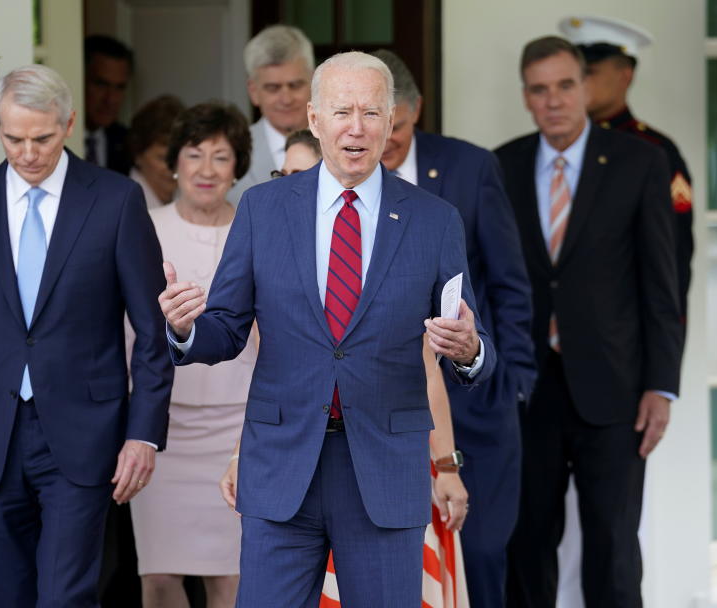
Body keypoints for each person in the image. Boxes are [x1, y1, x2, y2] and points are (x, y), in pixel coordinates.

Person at [160, 51, 496, 608]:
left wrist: (469, 350)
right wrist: (185, 329)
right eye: (343, 111)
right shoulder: (262, 209)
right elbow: (226, 328)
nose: (357, 128)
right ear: (314, 120)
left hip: (383, 470)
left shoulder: (434, 220)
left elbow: (470, 342)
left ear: (392, 122)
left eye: (371, 112)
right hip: (281, 465)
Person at [0, 64, 173, 607]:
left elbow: (152, 331)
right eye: (13, 138)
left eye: (41, 138)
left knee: (65, 597)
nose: (27, 152)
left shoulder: (115, 201)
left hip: (83, 434)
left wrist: (143, 434)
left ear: (68, 124)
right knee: (2, 598)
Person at [495, 37, 682, 608]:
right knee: (525, 549)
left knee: (612, 551)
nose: (553, 101)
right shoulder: (502, 164)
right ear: (526, 97)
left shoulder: (640, 162)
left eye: (565, 86)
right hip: (526, 391)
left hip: (615, 390)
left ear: (586, 87)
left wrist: (661, 385)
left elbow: (661, 285)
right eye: (539, 89)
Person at [374, 48, 536, 608]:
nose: (386, 138)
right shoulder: (339, 180)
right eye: (376, 121)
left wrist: (511, 376)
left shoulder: (470, 168)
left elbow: (510, 282)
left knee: (483, 555)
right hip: (385, 413)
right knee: (403, 568)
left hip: (476, 409)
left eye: (396, 124)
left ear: (416, 110)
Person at [128, 102, 254, 608]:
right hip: (163, 430)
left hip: (240, 427)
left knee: (231, 578)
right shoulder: (141, 226)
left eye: (220, 157)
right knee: (158, 577)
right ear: (173, 163)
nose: (206, 170)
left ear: (237, 167)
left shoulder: (257, 226)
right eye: (194, 154)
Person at [559, 15, 693, 322]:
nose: (579, 83)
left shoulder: (654, 152)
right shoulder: (553, 148)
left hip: (621, 330)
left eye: (590, 72)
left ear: (626, 75)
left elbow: (673, 257)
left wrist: (665, 343)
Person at [227, 25, 314, 205]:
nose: (286, 99)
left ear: (314, 82)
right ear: (253, 91)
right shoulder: (230, 150)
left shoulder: (339, 143)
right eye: (273, 88)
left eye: (295, 85)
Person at [85, 34, 135, 173]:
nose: (111, 99)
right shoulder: (54, 139)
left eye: (120, 87)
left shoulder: (128, 144)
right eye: (101, 85)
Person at [128, 94, 186, 208]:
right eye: (163, 158)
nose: (172, 167)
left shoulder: (191, 199)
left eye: (178, 157)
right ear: (138, 155)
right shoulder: (124, 204)